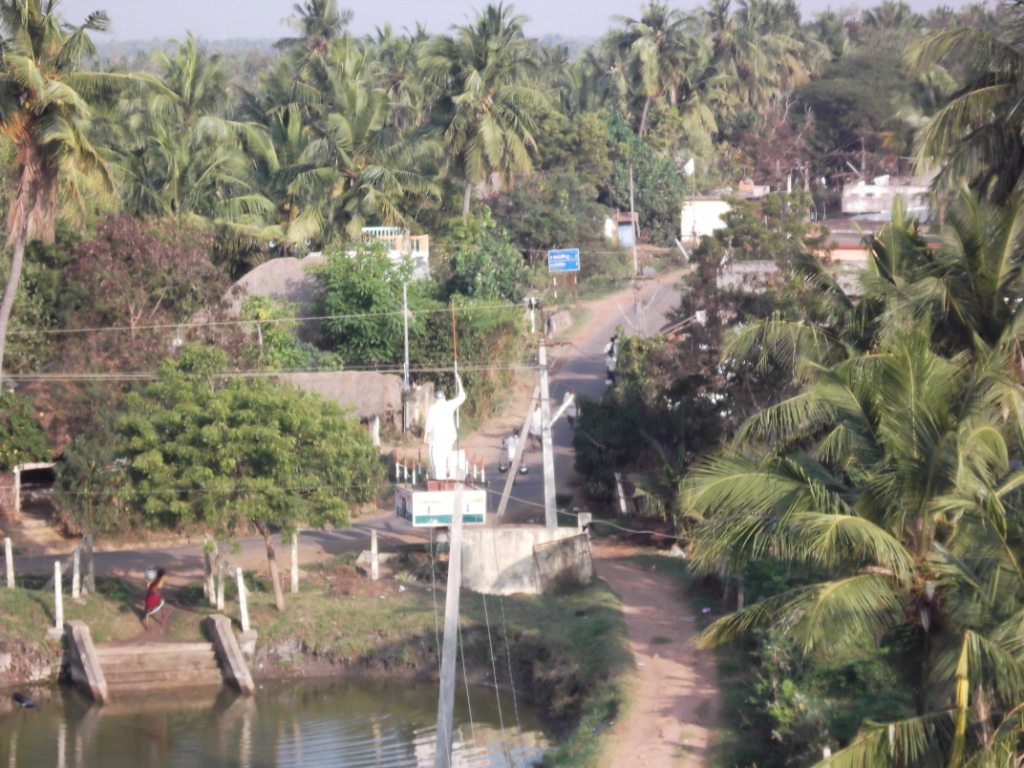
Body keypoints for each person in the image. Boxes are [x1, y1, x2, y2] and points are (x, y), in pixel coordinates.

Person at [423, 374, 467, 479]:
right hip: (449, 437)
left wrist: (425, 434)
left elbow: (428, 424)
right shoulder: (449, 405)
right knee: (448, 455)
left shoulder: (432, 408)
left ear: (435, 398)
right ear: (444, 397)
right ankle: (448, 473)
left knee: (436, 460)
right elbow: (462, 397)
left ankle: (439, 476)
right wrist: (459, 382)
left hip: (436, 440)